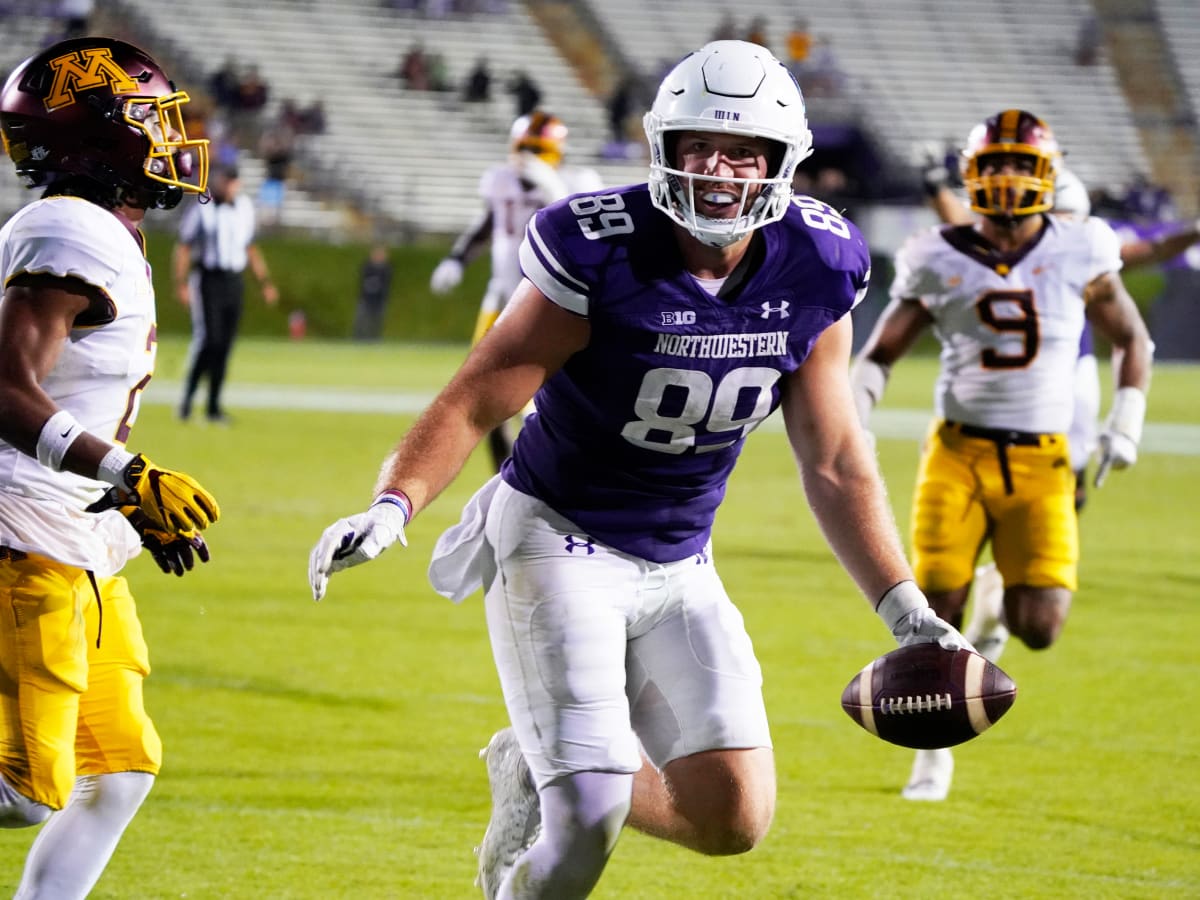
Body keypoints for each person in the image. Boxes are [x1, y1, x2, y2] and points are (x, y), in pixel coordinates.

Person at [310, 41, 970, 899]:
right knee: (584, 817)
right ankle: (550, 799)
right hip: (556, 537)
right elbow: (478, 396)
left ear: (782, 163)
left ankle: (531, 765)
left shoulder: (819, 260)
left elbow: (836, 458)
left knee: (734, 818)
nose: (717, 170)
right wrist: (394, 505)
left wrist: (907, 610)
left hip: (680, 558)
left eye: (742, 152)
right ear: (664, 148)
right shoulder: (600, 248)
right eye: (698, 146)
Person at [852, 109, 1154, 802]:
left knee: (1039, 626)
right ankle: (934, 757)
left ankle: (994, 617)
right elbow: (882, 352)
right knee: (933, 614)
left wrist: (1124, 420)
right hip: (956, 454)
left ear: (1048, 175)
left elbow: (1130, 338)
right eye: (995, 164)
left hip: (1046, 460)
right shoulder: (936, 251)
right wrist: (853, 419)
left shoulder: (1083, 247)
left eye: (1022, 163)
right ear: (972, 174)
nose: (1008, 178)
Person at [0, 36, 221, 898]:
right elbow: (8, 388)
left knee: (120, 767)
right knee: (25, 790)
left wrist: (123, 502)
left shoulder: (92, 230)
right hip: (27, 536)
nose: (167, 136)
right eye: (148, 118)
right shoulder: (72, 227)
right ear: (96, 135)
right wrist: (129, 474)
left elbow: (70, 394)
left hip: (77, 533)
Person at [921, 152, 1200, 507]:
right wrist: (936, 191)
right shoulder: (1000, 247)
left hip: (1068, 370)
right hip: (998, 373)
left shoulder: (1085, 253)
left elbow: (1152, 250)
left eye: (1068, 220)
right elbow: (960, 225)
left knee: (1068, 472)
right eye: (1053, 219)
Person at [428, 110, 603, 471]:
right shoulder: (500, 181)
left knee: (542, 397)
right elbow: (489, 221)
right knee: (480, 391)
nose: (530, 158)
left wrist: (555, 191)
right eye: (525, 148)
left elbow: (590, 238)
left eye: (539, 149)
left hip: (552, 305)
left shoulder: (578, 183)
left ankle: (550, 475)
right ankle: (502, 479)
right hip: (501, 299)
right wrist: (458, 259)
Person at [173, 164, 279, 424]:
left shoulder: (244, 208)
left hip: (233, 281)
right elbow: (184, 247)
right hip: (208, 278)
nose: (229, 187)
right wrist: (181, 282)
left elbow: (250, 248)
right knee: (209, 341)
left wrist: (264, 282)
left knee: (225, 346)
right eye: (225, 182)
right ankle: (187, 401)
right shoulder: (202, 207)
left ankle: (213, 407)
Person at [352, 243, 394, 341]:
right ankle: (358, 339)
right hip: (366, 298)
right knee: (361, 320)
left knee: (377, 321)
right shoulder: (367, 266)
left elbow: (386, 283)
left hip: (380, 300)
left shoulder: (387, 268)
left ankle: (374, 339)